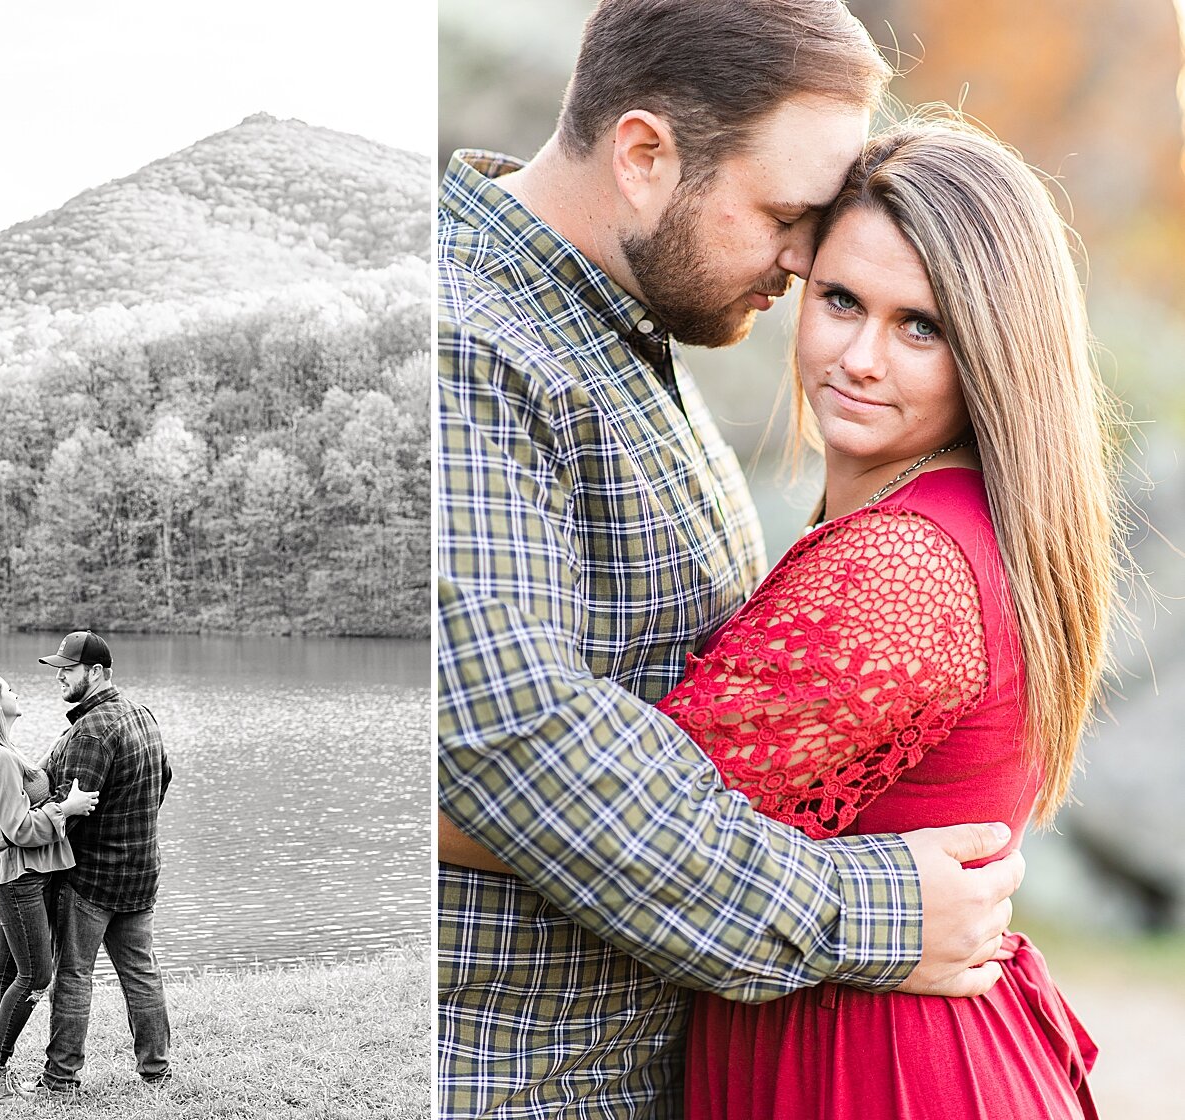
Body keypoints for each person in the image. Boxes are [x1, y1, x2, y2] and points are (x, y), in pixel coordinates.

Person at [437, 1, 1024, 1115]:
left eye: (917, 322)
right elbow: (517, 744)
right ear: (647, 156)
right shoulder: (470, 349)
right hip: (504, 1079)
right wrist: (875, 909)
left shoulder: (612, 334)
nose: (807, 262)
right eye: (790, 217)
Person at [656, 114, 1119, 1119]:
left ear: (993, 351)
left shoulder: (901, 567)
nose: (860, 356)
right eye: (841, 300)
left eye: (922, 326)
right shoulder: (956, 523)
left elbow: (626, 827)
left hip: (874, 1072)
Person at [0, 630, 174, 1094]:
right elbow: (163, 780)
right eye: (57, 670)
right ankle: (156, 1071)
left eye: (67, 671)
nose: (59, 678)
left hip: (91, 878)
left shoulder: (91, 731)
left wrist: (9, 834)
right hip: (141, 872)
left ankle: (60, 1078)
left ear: (96, 673)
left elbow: (66, 807)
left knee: (73, 976)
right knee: (142, 974)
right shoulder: (141, 714)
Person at [0, 670, 99, 1106]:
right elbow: (17, 828)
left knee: (9, 972)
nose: (16, 692)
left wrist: (28, 813)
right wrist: (65, 808)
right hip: (18, 878)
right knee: (37, 974)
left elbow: (10, 818)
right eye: (7, 690)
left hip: (20, 874)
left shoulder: (2, 750)